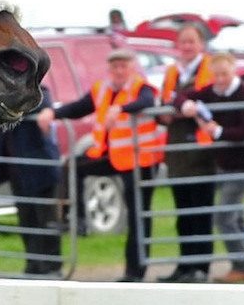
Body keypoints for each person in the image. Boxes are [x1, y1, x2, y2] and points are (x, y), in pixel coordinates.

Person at [39, 49, 162, 282]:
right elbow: (78, 108)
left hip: (140, 161)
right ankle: (76, 219)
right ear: (109, 69)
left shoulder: (141, 88)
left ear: (132, 68)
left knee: (138, 215)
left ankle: (135, 272)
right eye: (115, 67)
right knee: (73, 166)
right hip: (110, 156)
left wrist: (122, 109)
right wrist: (52, 113)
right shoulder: (102, 89)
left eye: (123, 66)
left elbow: (147, 102)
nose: (119, 71)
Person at [195, 51, 244, 282]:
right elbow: (187, 95)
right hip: (225, 163)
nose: (220, 79)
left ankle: (242, 265)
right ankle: (243, 264)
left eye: (224, 74)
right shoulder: (213, 92)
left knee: (224, 216)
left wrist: (219, 131)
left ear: (233, 70)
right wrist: (186, 104)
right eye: (216, 75)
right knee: (235, 216)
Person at [158, 20, 218, 281]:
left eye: (192, 41)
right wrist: (170, 111)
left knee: (201, 211)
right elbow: (164, 105)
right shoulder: (172, 72)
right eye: (183, 42)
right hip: (177, 150)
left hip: (202, 151)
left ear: (202, 44)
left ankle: (201, 267)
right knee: (182, 213)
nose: (187, 46)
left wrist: (180, 106)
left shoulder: (210, 68)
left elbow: (206, 101)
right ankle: (184, 266)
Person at [0, 111, 63, 274]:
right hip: (18, 168)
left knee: (46, 219)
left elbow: (42, 103)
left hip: (40, 166)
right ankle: (33, 266)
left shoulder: (34, 97)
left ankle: (52, 267)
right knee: (27, 219)